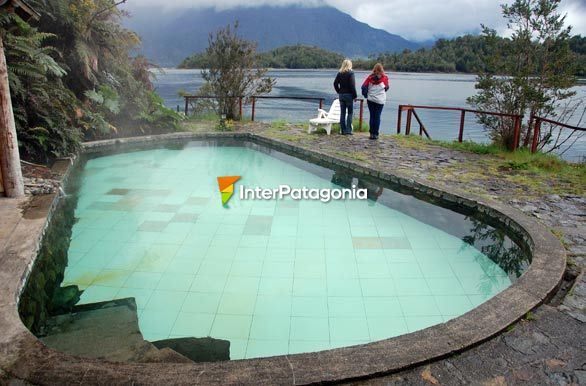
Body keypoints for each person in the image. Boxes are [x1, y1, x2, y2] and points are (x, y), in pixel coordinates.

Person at [361, 63, 389, 140]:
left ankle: (371, 134)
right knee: (377, 116)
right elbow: (387, 88)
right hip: (380, 100)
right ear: (382, 69)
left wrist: (366, 95)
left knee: (372, 116)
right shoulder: (385, 78)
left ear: (374, 69)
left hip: (371, 100)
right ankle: (375, 134)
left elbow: (363, 87)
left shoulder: (370, 78)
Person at [333, 59, 358, 135]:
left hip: (341, 95)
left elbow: (335, 84)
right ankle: (348, 131)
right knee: (350, 113)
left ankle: (343, 130)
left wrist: (339, 91)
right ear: (350, 65)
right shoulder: (351, 73)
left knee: (342, 113)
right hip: (349, 95)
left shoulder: (339, 73)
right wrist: (355, 96)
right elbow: (352, 86)